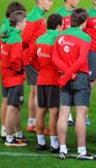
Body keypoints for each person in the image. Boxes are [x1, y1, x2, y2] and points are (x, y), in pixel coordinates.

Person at [52, 8, 94, 160]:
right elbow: (82, 60)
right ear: (84, 21)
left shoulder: (60, 36)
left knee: (63, 115)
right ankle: (82, 151)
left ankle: (62, 149)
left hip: (64, 77)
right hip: (80, 78)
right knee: (81, 116)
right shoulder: (85, 37)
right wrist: (72, 74)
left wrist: (66, 75)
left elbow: (55, 59)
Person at [28, 13, 63, 153]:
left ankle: (41, 142)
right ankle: (55, 144)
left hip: (41, 78)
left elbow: (31, 58)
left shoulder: (40, 39)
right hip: (54, 80)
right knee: (54, 112)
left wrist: (40, 68)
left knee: (41, 111)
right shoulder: (58, 40)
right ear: (59, 26)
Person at [22, 0, 53, 132]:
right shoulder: (35, 18)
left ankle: (31, 122)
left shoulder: (37, 16)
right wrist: (31, 55)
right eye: (49, 0)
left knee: (33, 91)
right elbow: (24, 38)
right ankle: (35, 125)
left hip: (31, 58)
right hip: (32, 59)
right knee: (36, 90)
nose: (51, 3)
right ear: (41, 2)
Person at [0, 1, 26, 141]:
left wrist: (5, 63)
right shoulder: (15, 37)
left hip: (5, 72)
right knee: (11, 105)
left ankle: (12, 131)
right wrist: (19, 68)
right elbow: (15, 58)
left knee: (9, 103)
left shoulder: (4, 31)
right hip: (13, 75)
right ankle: (9, 134)